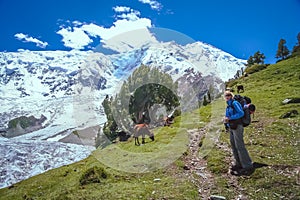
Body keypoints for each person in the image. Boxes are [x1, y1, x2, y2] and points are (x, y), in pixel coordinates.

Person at [223, 91, 254, 176]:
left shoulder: (235, 103)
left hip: (238, 126)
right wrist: (226, 124)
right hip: (232, 127)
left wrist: (230, 118)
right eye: (226, 96)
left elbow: (241, 113)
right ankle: (238, 163)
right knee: (233, 145)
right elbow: (227, 117)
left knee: (239, 145)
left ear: (231, 96)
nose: (227, 97)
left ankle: (247, 165)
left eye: (229, 95)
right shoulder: (228, 106)